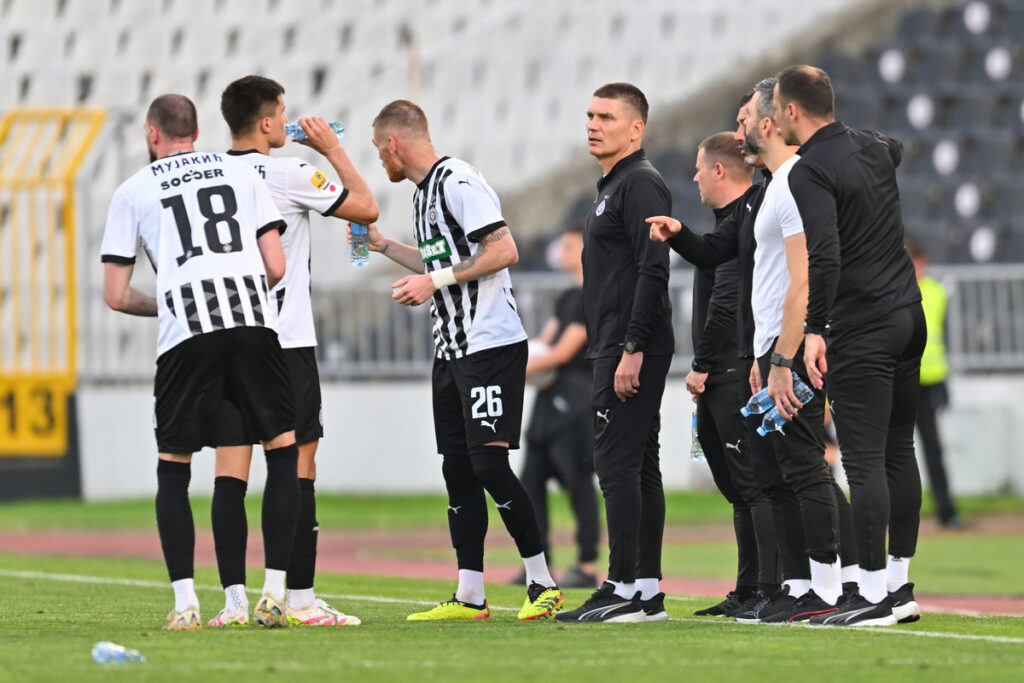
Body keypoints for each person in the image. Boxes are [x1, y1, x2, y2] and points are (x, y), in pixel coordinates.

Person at [649, 84, 860, 624]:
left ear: (768, 122)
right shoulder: (770, 190)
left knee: (801, 469)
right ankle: (793, 585)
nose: (736, 128)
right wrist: (760, 357)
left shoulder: (794, 183)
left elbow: (803, 275)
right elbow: (726, 256)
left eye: (743, 118)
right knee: (775, 475)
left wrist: (787, 352)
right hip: (763, 352)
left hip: (780, 350)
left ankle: (837, 584)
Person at [101, 94, 299, 629]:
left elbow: (116, 294)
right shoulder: (239, 173)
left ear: (152, 134)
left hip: (188, 332)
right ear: (195, 130)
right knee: (282, 450)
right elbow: (275, 266)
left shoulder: (133, 190)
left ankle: (187, 603)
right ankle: (274, 594)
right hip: (253, 322)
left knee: (174, 466)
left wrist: (167, 299)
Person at [363, 99, 562, 621]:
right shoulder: (423, 194)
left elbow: (503, 250)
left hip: (489, 344)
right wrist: (384, 246)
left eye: (377, 151)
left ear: (393, 145)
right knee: (458, 469)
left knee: (488, 462)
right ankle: (470, 593)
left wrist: (435, 281)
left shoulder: (458, 180)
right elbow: (441, 261)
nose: (379, 163)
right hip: (451, 348)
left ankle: (542, 583)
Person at [205, 75, 379, 628]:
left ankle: (232, 603)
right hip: (285, 339)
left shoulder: (204, 175)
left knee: (230, 470)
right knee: (298, 463)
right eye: (282, 113)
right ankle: (295, 598)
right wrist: (331, 148)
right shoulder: (291, 171)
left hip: (224, 336)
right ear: (264, 122)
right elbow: (367, 209)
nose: (287, 121)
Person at [774, 65, 925, 626]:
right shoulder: (871, 145)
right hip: (909, 317)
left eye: (777, 110)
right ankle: (899, 585)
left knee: (863, 465)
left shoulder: (807, 170)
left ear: (792, 111)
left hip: (862, 326)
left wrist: (815, 330)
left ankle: (868, 597)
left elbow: (826, 256)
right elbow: (896, 147)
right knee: (898, 453)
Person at [556, 83, 673, 624]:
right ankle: (646, 590)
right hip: (617, 342)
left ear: (636, 128)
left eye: (606, 116)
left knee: (616, 466)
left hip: (629, 346)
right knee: (640, 466)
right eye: (589, 115)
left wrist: (632, 348)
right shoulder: (614, 186)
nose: (593, 124)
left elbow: (654, 271)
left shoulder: (641, 186)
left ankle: (623, 586)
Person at [682, 131, 782, 617]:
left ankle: (768, 588)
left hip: (732, 370)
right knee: (738, 488)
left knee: (752, 483)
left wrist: (701, 365)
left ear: (719, 170)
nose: (695, 176)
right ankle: (748, 589)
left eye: (700, 167)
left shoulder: (745, 221)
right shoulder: (731, 223)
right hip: (724, 369)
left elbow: (725, 303)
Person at [518, 222, 600, 589]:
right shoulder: (567, 297)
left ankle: (585, 564)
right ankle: (539, 566)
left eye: (568, 247)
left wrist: (508, 374)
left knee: (578, 482)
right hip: (548, 401)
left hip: (576, 399)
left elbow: (563, 352)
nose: (561, 253)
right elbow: (544, 342)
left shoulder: (592, 296)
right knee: (529, 481)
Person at [906, 237, 961, 528]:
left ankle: (947, 510)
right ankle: (895, 514)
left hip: (928, 381)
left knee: (933, 449)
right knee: (896, 452)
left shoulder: (936, 291)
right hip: (902, 380)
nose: (919, 269)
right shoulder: (898, 292)